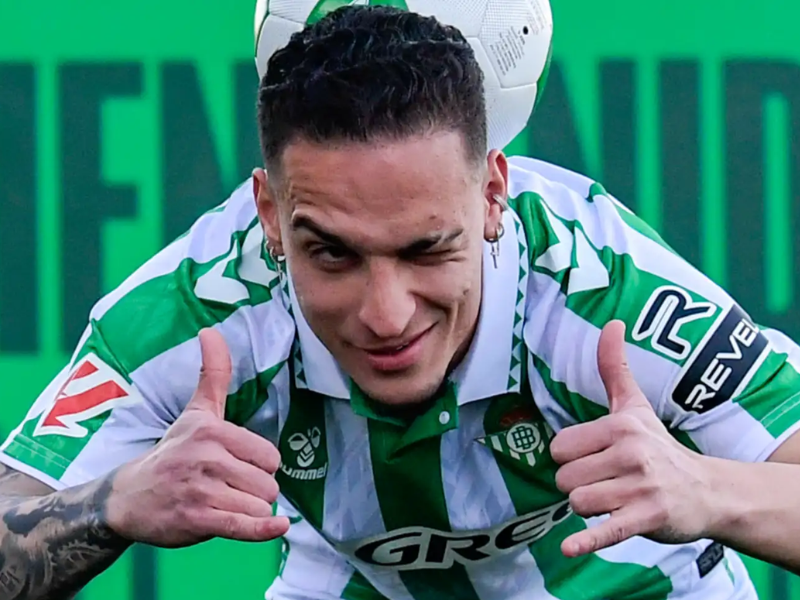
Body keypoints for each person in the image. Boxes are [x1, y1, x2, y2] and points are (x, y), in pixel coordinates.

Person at [1, 6, 800, 600]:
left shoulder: (604, 288)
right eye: (334, 254)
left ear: (492, 195)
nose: (386, 315)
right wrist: (110, 505)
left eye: (426, 250)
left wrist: (706, 489)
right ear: (269, 215)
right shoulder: (195, 312)